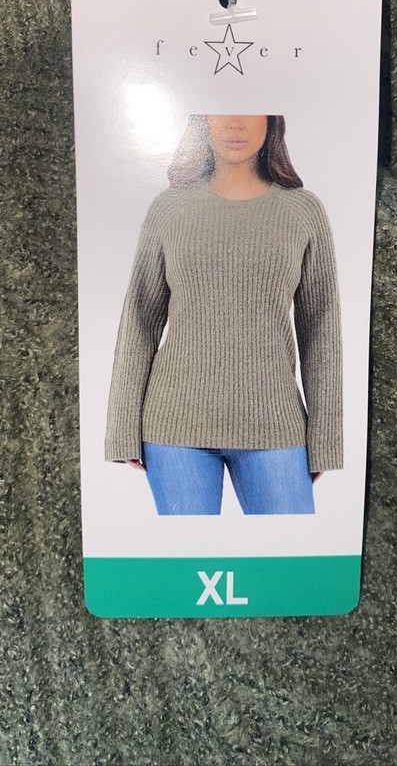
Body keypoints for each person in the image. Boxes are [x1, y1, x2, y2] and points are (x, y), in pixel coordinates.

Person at [105, 114, 342, 515]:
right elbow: (139, 320)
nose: (235, 123)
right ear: (203, 120)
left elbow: (321, 330)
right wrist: (122, 428)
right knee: (189, 554)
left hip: (275, 423)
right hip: (174, 426)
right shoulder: (170, 208)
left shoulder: (302, 210)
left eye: (249, 109)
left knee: (289, 551)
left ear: (272, 120)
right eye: (222, 110)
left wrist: (325, 439)